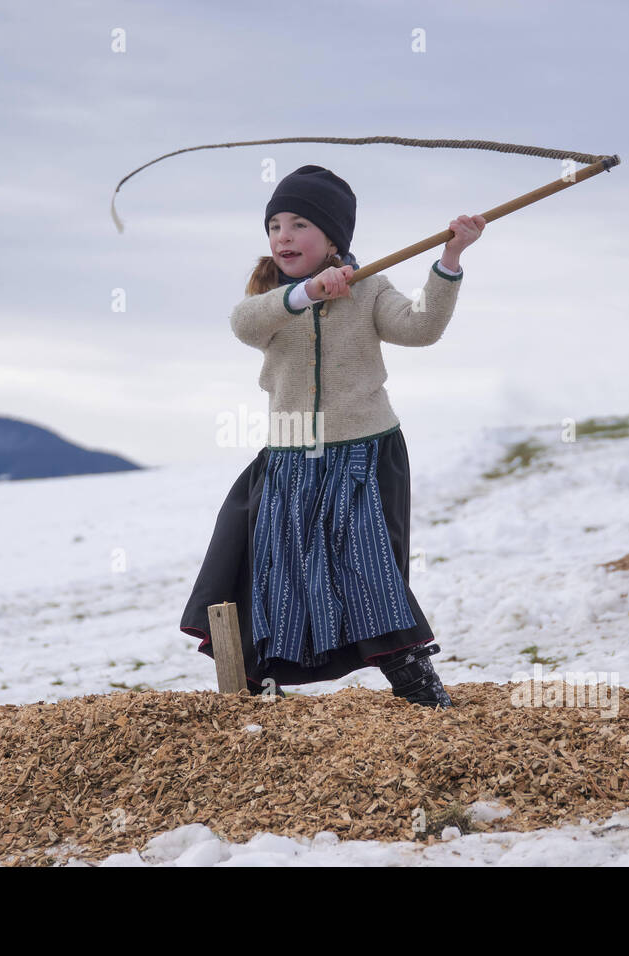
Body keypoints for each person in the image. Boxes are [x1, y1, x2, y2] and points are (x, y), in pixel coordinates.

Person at [179, 164, 484, 707]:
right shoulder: (271, 300)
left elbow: (421, 328)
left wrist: (450, 260)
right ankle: (256, 692)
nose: (284, 236)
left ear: (333, 238)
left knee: (365, 566)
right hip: (292, 458)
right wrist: (307, 294)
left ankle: (418, 688)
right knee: (274, 569)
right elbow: (244, 324)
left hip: (364, 453)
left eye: (299, 224)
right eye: (275, 225)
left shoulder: (368, 289)